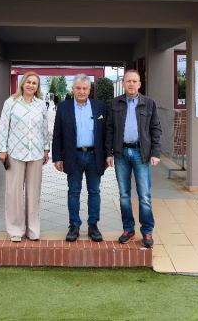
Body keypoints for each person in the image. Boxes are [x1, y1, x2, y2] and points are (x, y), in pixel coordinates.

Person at [105, 69, 162, 248]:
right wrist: (108, 153)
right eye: (128, 81)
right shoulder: (114, 103)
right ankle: (128, 229)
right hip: (121, 153)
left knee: (144, 195)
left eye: (134, 81)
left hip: (141, 153)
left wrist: (155, 152)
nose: (131, 84)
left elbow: (156, 129)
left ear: (139, 84)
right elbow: (109, 129)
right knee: (124, 195)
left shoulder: (149, 103)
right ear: (123, 83)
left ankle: (147, 231)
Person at [52, 74, 107, 242]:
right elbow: (57, 134)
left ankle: (93, 226)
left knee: (94, 191)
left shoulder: (100, 107)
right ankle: (74, 226)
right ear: (73, 89)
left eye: (84, 88)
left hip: (94, 156)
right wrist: (57, 157)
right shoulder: (63, 107)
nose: (81, 91)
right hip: (72, 156)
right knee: (74, 191)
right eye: (78, 88)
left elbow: (106, 133)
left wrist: (108, 154)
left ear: (89, 90)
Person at [0, 71, 50, 242]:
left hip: (36, 153)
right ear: (22, 83)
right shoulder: (10, 102)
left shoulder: (41, 105)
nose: (31, 85)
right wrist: (2, 149)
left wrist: (46, 149)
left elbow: (44, 128)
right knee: (14, 193)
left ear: (37, 87)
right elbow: (3, 127)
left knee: (34, 193)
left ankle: (33, 229)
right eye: (28, 82)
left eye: (34, 83)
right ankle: (15, 230)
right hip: (15, 153)